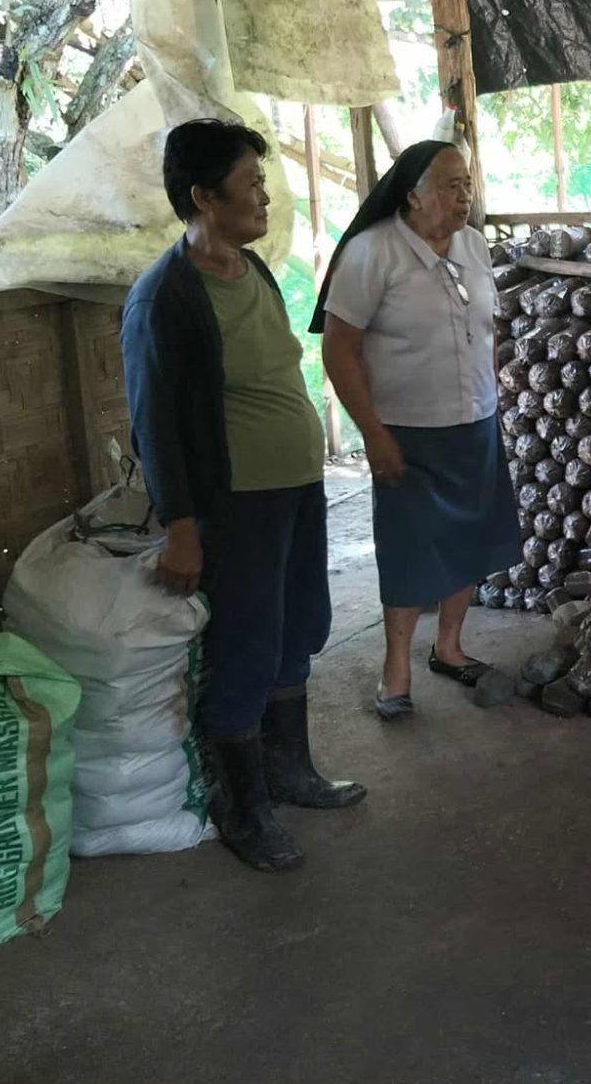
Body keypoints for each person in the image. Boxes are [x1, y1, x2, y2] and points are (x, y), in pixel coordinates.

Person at [122, 118, 366, 875]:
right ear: (202, 196)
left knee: (300, 624)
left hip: (296, 486)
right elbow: (156, 419)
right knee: (247, 644)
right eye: (250, 183)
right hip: (240, 502)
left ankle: (290, 768)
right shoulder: (166, 297)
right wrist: (182, 526)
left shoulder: (251, 268)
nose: (264, 195)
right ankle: (243, 805)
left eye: (262, 181)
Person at [313, 141, 519, 719]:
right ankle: (394, 669)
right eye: (451, 186)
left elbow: (486, 329)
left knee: (473, 540)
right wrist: (373, 434)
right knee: (409, 550)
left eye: (467, 184)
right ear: (413, 195)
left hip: (473, 421)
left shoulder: (474, 247)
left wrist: (490, 391)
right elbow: (339, 349)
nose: (465, 195)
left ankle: (450, 648)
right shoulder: (371, 253)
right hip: (407, 431)